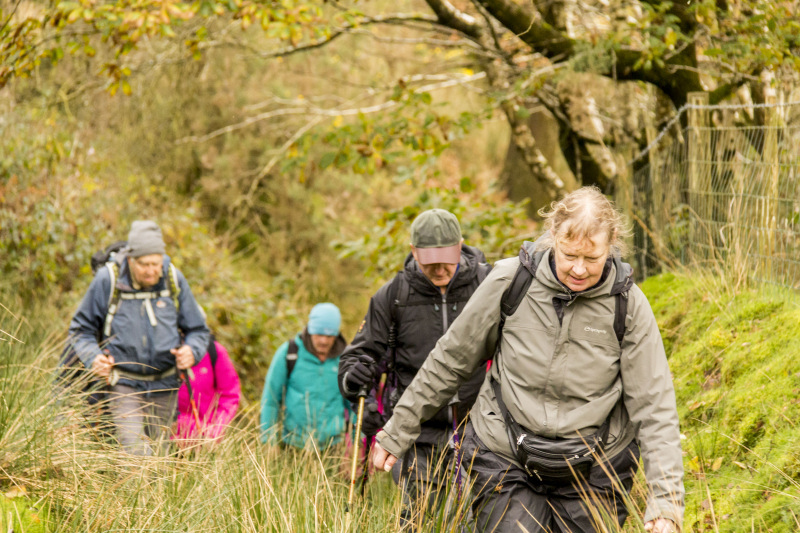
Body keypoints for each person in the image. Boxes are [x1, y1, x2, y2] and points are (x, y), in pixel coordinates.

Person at [372, 188, 685, 533]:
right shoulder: (510, 281)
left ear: (611, 243)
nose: (579, 269)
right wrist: (399, 430)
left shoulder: (629, 306)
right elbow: (451, 360)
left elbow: (654, 406)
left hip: (596, 464)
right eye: (569, 255)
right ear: (553, 236)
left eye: (592, 258)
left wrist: (665, 502)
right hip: (505, 453)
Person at [338, 208, 492, 527]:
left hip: (482, 431)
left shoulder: (488, 285)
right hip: (418, 437)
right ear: (413, 252)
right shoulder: (393, 296)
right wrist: (353, 379)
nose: (438, 270)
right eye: (429, 261)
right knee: (419, 522)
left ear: (460, 246)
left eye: (445, 260)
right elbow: (358, 355)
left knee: (482, 520)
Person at [68, 220, 210, 455]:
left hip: (165, 383)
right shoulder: (108, 280)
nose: (151, 270)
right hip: (123, 382)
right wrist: (93, 357)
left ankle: (154, 493)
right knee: (134, 450)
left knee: (160, 454)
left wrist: (192, 351)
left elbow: (198, 329)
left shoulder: (173, 279)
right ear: (130, 259)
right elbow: (80, 329)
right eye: (144, 264)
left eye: (156, 263)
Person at [260, 303, 350, 449]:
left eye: (329, 336)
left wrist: (355, 444)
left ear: (337, 334)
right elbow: (270, 400)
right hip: (293, 444)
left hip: (333, 447)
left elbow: (353, 405)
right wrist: (268, 442)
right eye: (319, 334)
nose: (323, 341)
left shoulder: (345, 359)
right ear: (309, 330)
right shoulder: (289, 353)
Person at [174, 335, 241, 445]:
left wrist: (215, 432)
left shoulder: (213, 351)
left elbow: (230, 395)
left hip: (203, 442)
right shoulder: (157, 350)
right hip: (161, 440)